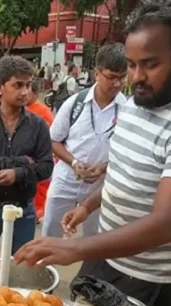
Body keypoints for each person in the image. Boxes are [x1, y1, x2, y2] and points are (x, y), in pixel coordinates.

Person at [14, 0, 171, 306]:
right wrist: (88, 205)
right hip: (106, 252)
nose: (137, 76)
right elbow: (124, 171)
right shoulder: (136, 102)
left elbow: (166, 224)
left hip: (147, 275)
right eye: (131, 65)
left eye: (151, 64)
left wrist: (73, 247)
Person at [0, 56, 54, 253]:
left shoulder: (38, 125)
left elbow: (46, 166)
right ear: (0, 88)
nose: (25, 92)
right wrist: (21, 162)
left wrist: (18, 174)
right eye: (18, 85)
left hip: (23, 209)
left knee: (20, 267)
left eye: (28, 85)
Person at [42, 43, 128, 239]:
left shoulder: (128, 110)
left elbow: (127, 155)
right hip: (66, 181)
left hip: (100, 187)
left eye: (122, 78)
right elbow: (53, 141)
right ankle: (46, 269)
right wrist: (74, 163)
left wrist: (102, 169)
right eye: (111, 77)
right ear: (97, 74)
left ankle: (90, 270)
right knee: (51, 234)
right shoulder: (75, 104)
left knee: (95, 238)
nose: (117, 84)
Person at [26, 79, 55, 223]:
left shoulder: (43, 111)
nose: (23, 92)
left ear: (36, 93)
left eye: (27, 88)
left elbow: (52, 137)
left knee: (41, 188)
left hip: (39, 157)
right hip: (25, 158)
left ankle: (38, 212)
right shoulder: (21, 108)